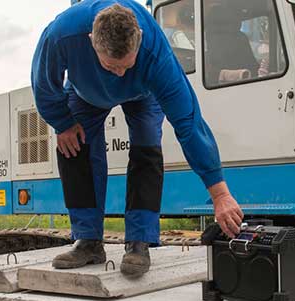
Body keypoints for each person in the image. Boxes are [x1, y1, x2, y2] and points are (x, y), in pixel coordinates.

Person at [31, 0, 243, 276]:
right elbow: (43, 82)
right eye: (111, 66)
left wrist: (220, 194)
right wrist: (62, 123)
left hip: (144, 94)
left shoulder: (157, 54)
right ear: (91, 41)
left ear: (139, 39)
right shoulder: (62, 34)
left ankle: (139, 242)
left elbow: (189, 125)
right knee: (74, 148)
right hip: (86, 93)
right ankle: (88, 240)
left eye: (126, 66)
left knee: (146, 150)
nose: (119, 74)